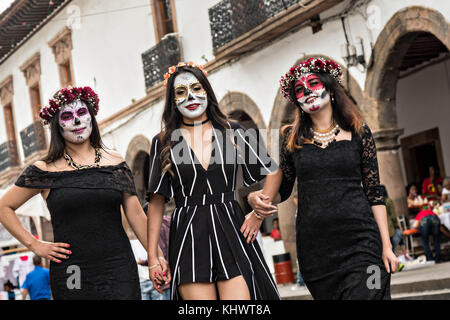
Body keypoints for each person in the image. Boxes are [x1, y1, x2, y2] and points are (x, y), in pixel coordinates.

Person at [247, 57, 397, 300]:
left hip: (362, 243)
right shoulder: (291, 140)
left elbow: (374, 193)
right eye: (299, 90)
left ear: (330, 87)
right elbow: (280, 191)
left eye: (313, 83)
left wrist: (386, 247)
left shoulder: (359, 132)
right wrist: (256, 198)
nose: (307, 92)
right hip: (317, 250)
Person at [0, 86, 169, 299]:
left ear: (91, 116)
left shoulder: (115, 162)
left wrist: (156, 257)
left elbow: (136, 214)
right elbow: (4, 207)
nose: (77, 122)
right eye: (68, 116)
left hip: (118, 266)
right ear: (57, 126)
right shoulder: (44, 170)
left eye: (81, 113)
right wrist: (35, 244)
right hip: (72, 271)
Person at [147, 62, 280, 300]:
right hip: (188, 230)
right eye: (180, 92)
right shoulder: (164, 141)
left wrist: (258, 214)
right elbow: (156, 201)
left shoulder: (233, 131)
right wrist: (153, 258)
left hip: (231, 224)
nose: (190, 96)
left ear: (207, 90)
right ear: (172, 100)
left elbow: (273, 170)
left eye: (197, 88)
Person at [137, 203, 170, 300]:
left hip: (164, 274)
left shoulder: (154, 230)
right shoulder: (170, 221)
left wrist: (143, 262)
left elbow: (159, 254)